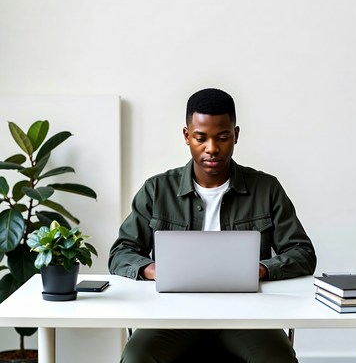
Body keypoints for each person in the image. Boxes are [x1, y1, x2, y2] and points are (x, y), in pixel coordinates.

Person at [109, 88, 317, 363]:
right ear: (186, 136)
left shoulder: (266, 189)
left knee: (276, 358)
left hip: (247, 316)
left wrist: (263, 269)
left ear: (236, 135)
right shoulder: (157, 189)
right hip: (173, 316)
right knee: (136, 357)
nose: (212, 148)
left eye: (222, 137)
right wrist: (151, 269)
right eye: (201, 138)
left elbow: (303, 252)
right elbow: (120, 252)